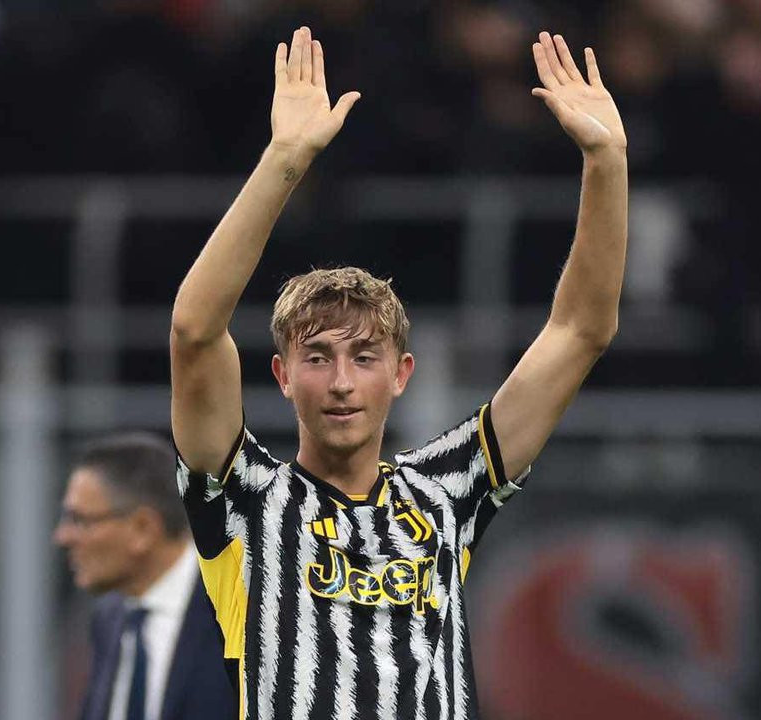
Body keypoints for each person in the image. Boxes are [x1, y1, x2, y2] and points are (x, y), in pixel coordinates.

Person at [169, 25, 626, 720]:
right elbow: (194, 331)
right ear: (282, 376)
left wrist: (607, 161)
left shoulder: (446, 491)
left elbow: (581, 331)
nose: (342, 382)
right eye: (317, 358)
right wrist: (285, 159)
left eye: (364, 357)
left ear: (401, 373)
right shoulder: (247, 501)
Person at [54, 433, 236, 720]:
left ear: (143, 528)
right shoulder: (109, 619)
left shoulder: (237, 612)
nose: (63, 537)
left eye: (80, 520)